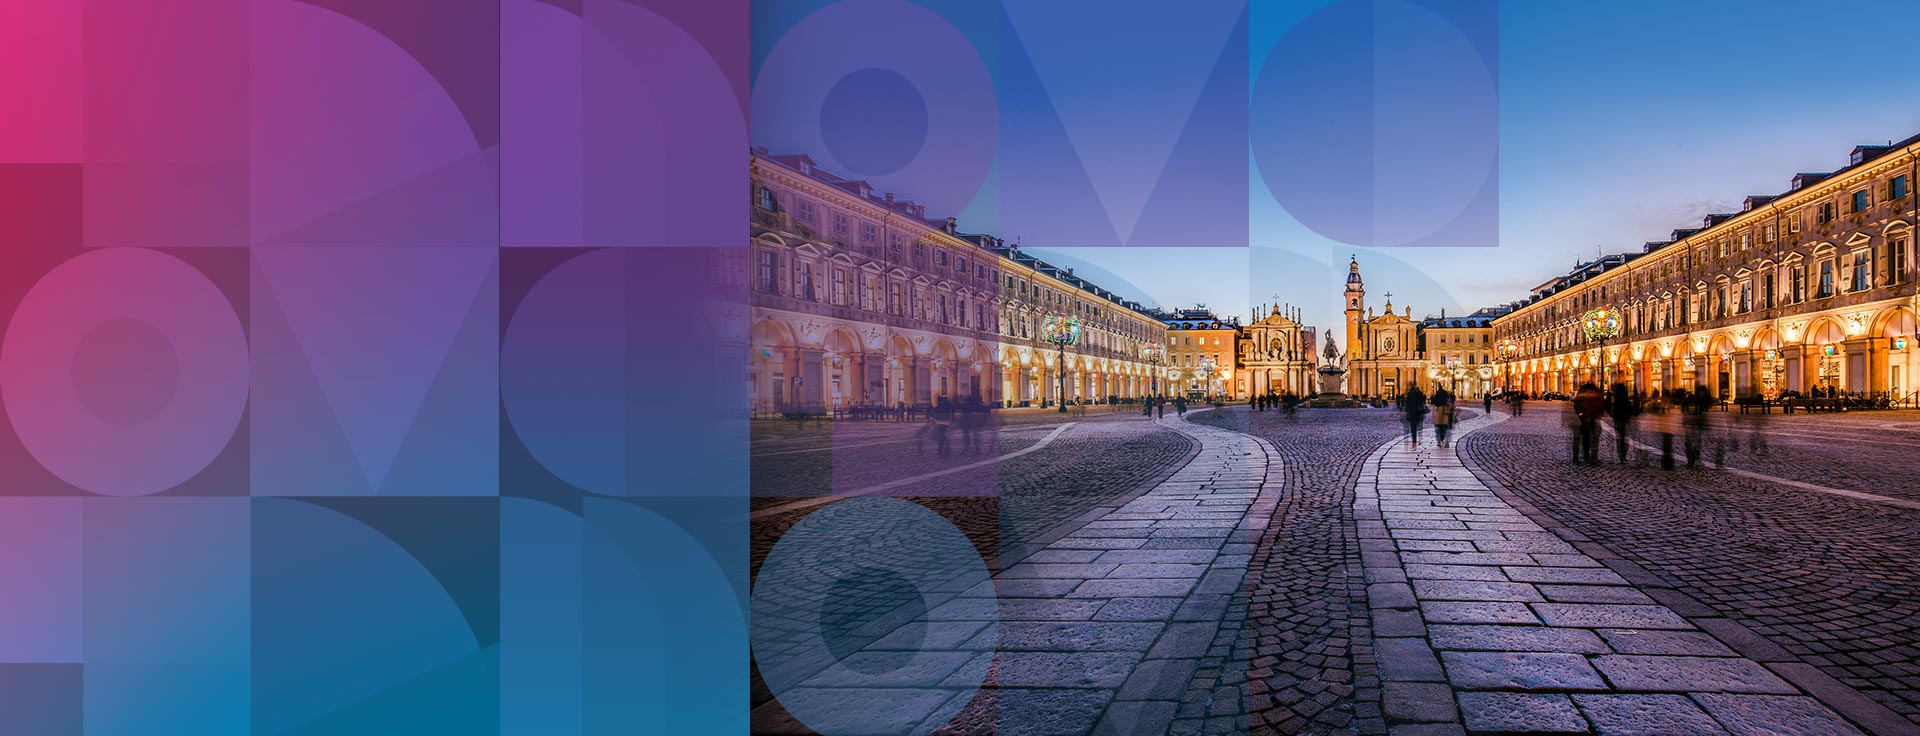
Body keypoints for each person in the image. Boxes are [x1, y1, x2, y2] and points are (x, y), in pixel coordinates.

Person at [1572, 382, 1605, 464]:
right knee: (1590, 438)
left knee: (1587, 438)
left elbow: (1577, 406)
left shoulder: (1582, 393)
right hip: (1589, 418)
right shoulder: (1596, 393)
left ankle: (1588, 456)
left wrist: (1582, 416)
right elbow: (1601, 405)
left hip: (1588, 418)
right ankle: (1591, 457)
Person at [1607, 382, 1636, 463]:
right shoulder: (1625, 396)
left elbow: (1610, 405)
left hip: (1618, 417)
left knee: (1619, 437)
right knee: (1624, 437)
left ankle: (1621, 455)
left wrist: (1611, 414)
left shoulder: (1616, 398)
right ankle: (1624, 454)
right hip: (1624, 417)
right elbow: (1631, 408)